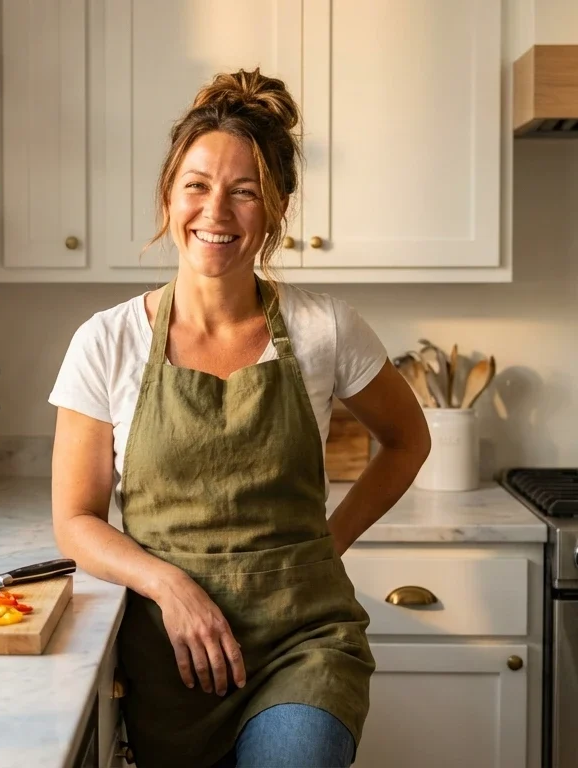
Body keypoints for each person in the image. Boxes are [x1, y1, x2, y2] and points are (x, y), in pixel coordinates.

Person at [49, 68, 431, 768]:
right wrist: (170, 586)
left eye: (244, 190)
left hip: (304, 643)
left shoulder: (327, 329)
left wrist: (329, 541)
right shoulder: (107, 341)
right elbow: (76, 520)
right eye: (197, 185)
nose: (216, 211)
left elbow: (408, 440)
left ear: (275, 210)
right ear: (168, 196)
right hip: (170, 657)